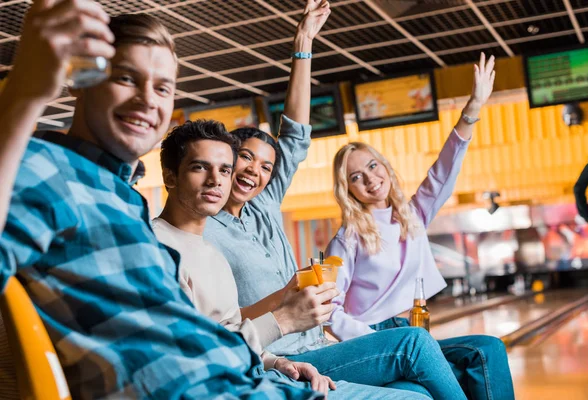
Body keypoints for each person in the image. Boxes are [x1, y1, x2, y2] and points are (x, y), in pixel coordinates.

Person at [0, 2, 319, 398]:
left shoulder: (122, 200)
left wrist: (272, 362)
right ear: (79, 80)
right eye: (126, 78)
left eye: (163, 87)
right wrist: (23, 96)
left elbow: (189, 342)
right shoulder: (46, 170)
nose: (148, 99)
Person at [202, 3, 469, 396]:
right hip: (284, 359)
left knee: (420, 391)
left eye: (265, 166)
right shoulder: (203, 229)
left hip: (320, 346)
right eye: (245, 158)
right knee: (414, 344)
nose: (254, 171)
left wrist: (304, 45)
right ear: (226, 159)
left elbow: (295, 134)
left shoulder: (264, 202)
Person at [152, 118, 425, 399]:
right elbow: (192, 357)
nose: (215, 180)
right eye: (199, 167)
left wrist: (279, 363)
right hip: (234, 388)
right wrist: (283, 319)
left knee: (413, 390)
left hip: (269, 371)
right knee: (414, 370)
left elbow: (230, 331)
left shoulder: (209, 250)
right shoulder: (156, 250)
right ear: (170, 176)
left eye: (224, 170)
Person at [325, 53, 515, 400]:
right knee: (420, 392)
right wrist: (369, 338)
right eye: (356, 177)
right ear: (348, 189)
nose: (370, 179)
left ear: (385, 166)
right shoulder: (347, 238)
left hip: (415, 330)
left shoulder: (412, 214)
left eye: (372, 166)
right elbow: (328, 309)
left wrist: (472, 108)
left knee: (488, 348)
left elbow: (442, 172)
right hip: (377, 337)